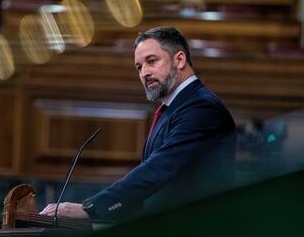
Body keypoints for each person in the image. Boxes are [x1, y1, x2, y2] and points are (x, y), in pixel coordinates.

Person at [40, 27, 236, 221]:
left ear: (179, 59)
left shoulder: (201, 108)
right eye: (139, 67)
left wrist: (91, 209)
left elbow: (157, 170)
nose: (144, 73)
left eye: (152, 61)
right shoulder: (174, 107)